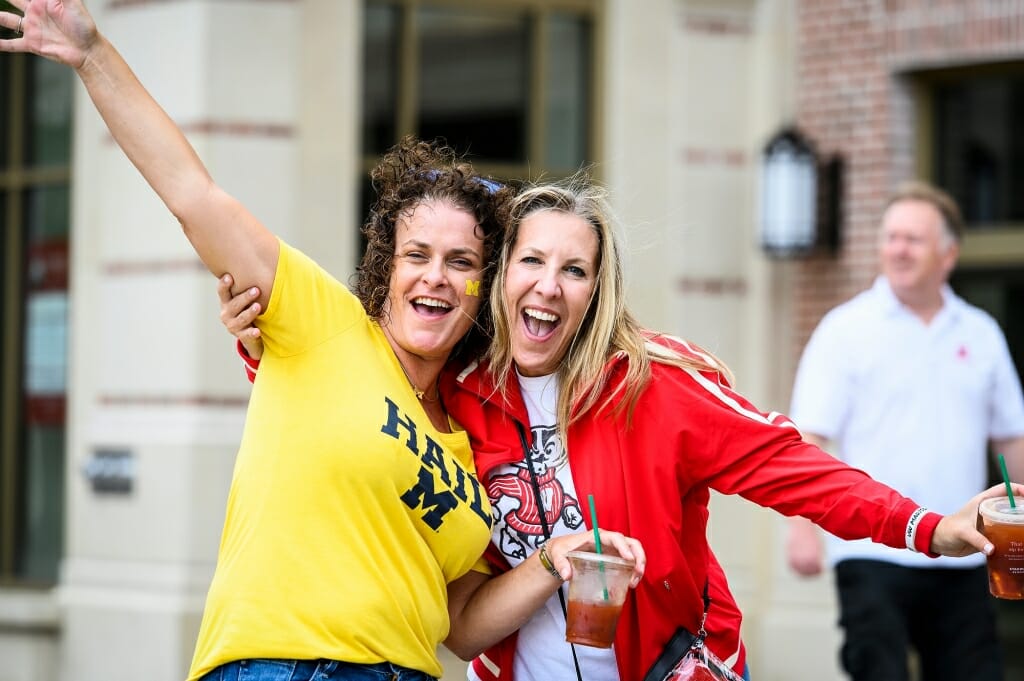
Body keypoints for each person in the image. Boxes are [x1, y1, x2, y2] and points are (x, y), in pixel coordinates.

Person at [0, 3, 648, 681]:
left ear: (483, 290)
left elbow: (462, 627)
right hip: (285, 666)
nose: (435, 275)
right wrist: (93, 53)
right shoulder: (325, 325)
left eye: (461, 262)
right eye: (416, 254)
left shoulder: (466, 440)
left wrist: (551, 559)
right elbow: (194, 195)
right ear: (383, 271)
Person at [222, 176, 1023, 681]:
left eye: (574, 269)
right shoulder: (458, 397)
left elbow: (793, 466)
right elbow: (355, 397)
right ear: (502, 276)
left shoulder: (656, 387)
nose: (549, 285)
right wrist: (260, 343)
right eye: (532, 262)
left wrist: (927, 525)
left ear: (595, 290)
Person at [785, 181, 1024, 681]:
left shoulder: (981, 332)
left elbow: (1011, 439)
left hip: (964, 551)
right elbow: (807, 439)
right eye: (891, 236)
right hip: (870, 549)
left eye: (913, 239)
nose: (898, 248)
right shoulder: (844, 329)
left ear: (948, 254)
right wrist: (801, 530)